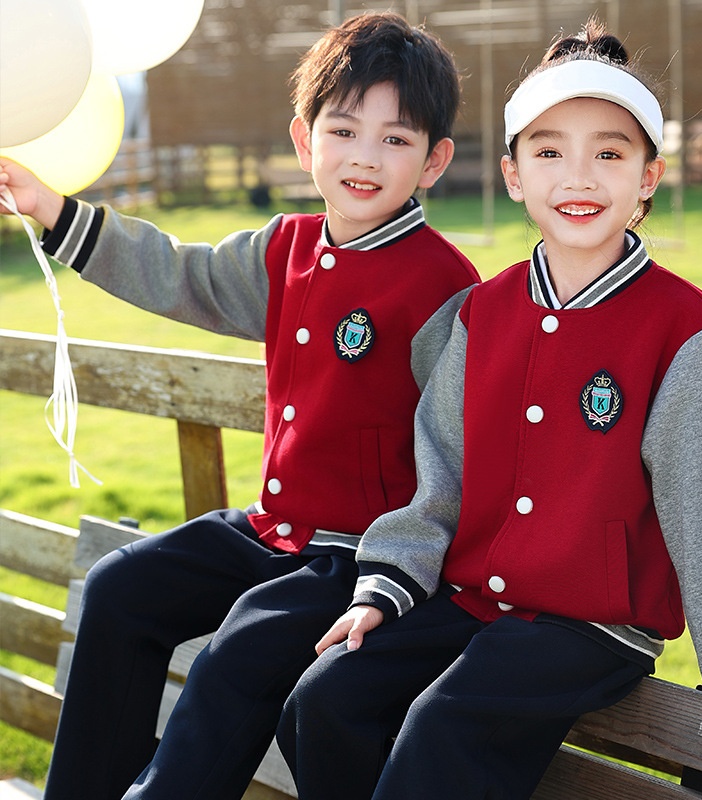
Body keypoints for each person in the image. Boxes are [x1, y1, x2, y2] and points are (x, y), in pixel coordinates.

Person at [276, 19, 702, 800]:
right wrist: (385, 585)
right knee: (324, 699)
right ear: (515, 174)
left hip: (586, 626)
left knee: (440, 729)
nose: (578, 179)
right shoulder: (481, 312)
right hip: (470, 598)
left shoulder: (684, 328)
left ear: (648, 178)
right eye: (550, 152)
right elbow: (440, 474)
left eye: (609, 154)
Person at [0, 12, 480, 800]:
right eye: (345, 130)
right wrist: (56, 210)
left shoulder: (442, 287)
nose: (365, 157)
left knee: (235, 658)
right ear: (305, 141)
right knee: (121, 588)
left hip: (355, 559)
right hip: (271, 528)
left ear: (433, 162)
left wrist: (399, 578)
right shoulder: (285, 249)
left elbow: (456, 455)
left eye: (396, 140)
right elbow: (180, 274)